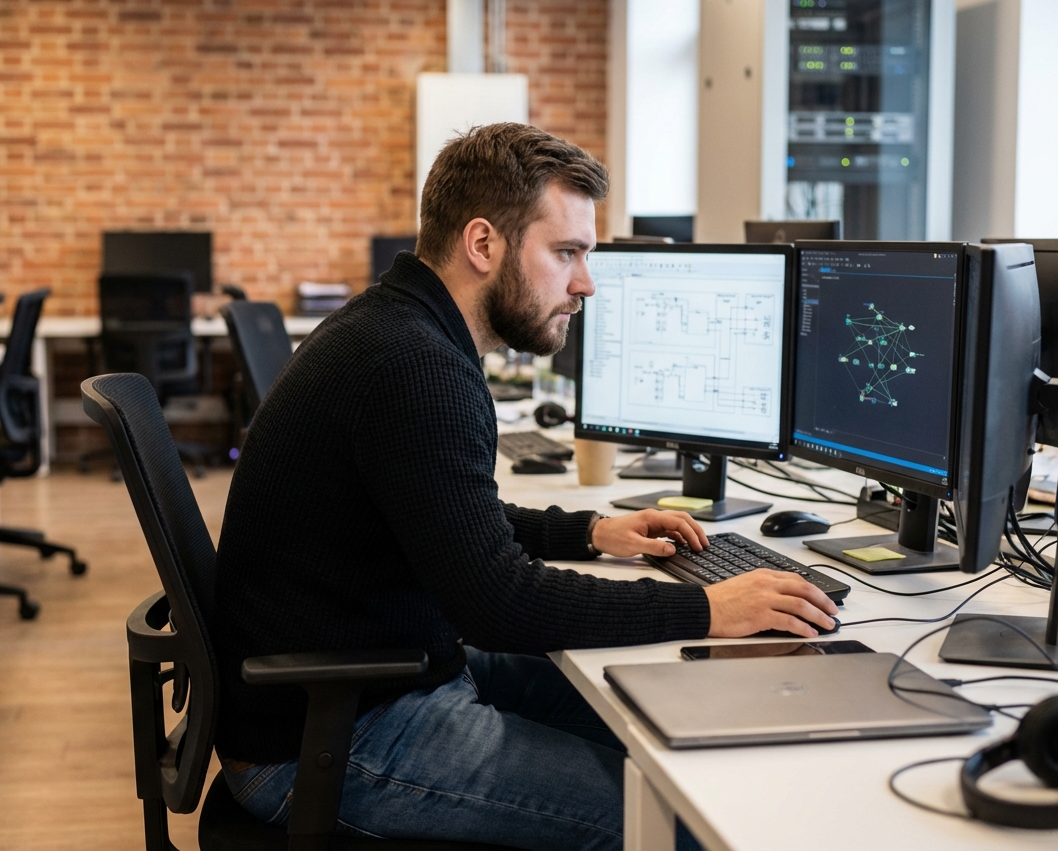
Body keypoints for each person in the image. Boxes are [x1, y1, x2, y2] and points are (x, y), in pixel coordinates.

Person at [213, 123, 838, 849]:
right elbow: (498, 604)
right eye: (566, 253)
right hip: (327, 739)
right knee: (672, 821)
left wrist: (586, 532)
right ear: (484, 245)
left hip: (362, 685)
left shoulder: (397, 327)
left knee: (657, 735)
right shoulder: (417, 367)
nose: (586, 283)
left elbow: (447, 512)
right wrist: (705, 608)